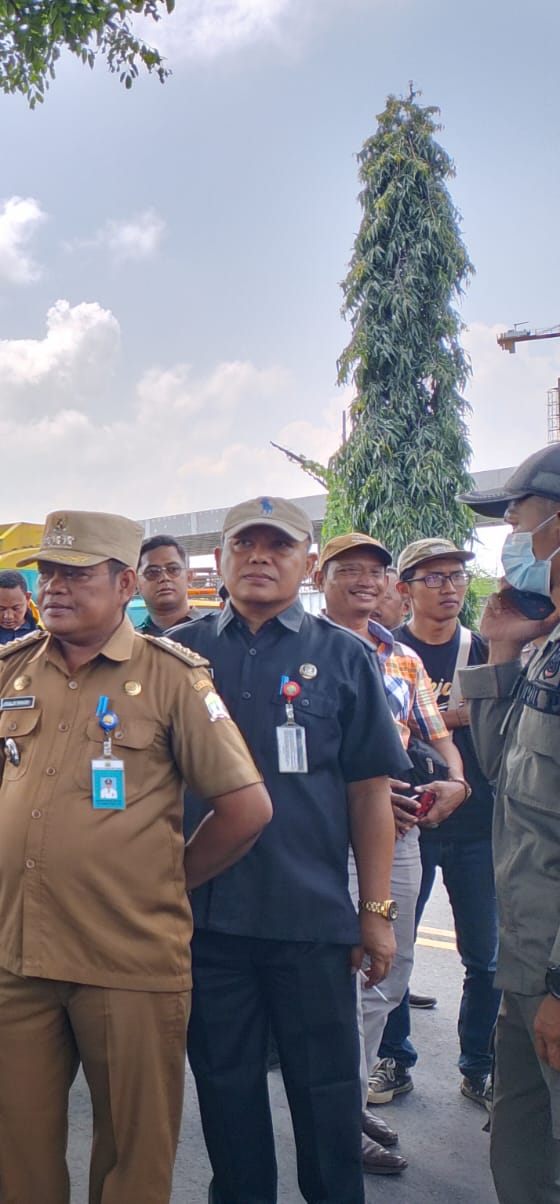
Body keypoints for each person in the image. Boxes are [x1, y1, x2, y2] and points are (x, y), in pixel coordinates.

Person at [0, 510, 271, 1204]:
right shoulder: (15, 668)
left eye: (76, 574)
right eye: (48, 572)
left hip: (128, 961)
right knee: (10, 1141)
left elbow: (247, 808)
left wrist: (167, 880)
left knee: (133, 1156)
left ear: (125, 583)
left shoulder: (171, 677)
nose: (54, 587)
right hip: (19, 953)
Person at [168, 497, 410, 1204]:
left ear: (308, 563)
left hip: (309, 924)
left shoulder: (344, 656)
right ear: (222, 560)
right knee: (227, 1097)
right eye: (246, 545)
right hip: (207, 922)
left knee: (327, 1102)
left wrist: (376, 910)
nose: (261, 558)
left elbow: (370, 792)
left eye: (280, 546)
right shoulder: (179, 654)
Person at [313, 531, 467, 1174]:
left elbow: (433, 732)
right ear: (320, 577)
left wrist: (455, 781)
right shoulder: (306, 650)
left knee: (391, 970)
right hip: (334, 840)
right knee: (345, 976)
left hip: (401, 837)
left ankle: (349, 1094)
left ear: (388, 586)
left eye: (375, 571)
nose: (364, 580)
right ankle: (339, 1117)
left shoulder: (400, 657)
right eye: (348, 569)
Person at [456, 444, 560, 1202]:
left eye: (518, 517)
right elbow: (504, 775)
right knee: (520, 1147)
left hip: (553, 973)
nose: (511, 536)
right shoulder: (547, 651)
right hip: (527, 963)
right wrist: (499, 650)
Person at [376, 537, 499, 1112]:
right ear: (404, 590)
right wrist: (453, 714)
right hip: (406, 824)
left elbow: (501, 716)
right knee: (395, 950)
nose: (449, 588)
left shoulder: (482, 650)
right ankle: (395, 1059)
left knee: (486, 955)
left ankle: (479, 1065)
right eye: (434, 578)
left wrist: (439, 718)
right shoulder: (385, 652)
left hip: (477, 825)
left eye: (455, 577)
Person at [136, 534, 205, 635]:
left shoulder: (216, 635)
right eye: (152, 572)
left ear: (189, 577)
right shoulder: (132, 644)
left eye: (173, 569)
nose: (164, 578)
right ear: (136, 583)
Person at [0, 568, 39, 644]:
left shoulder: (44, 634)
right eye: (0, 608)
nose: (8, 616)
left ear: (27, 598)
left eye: (16, 608)